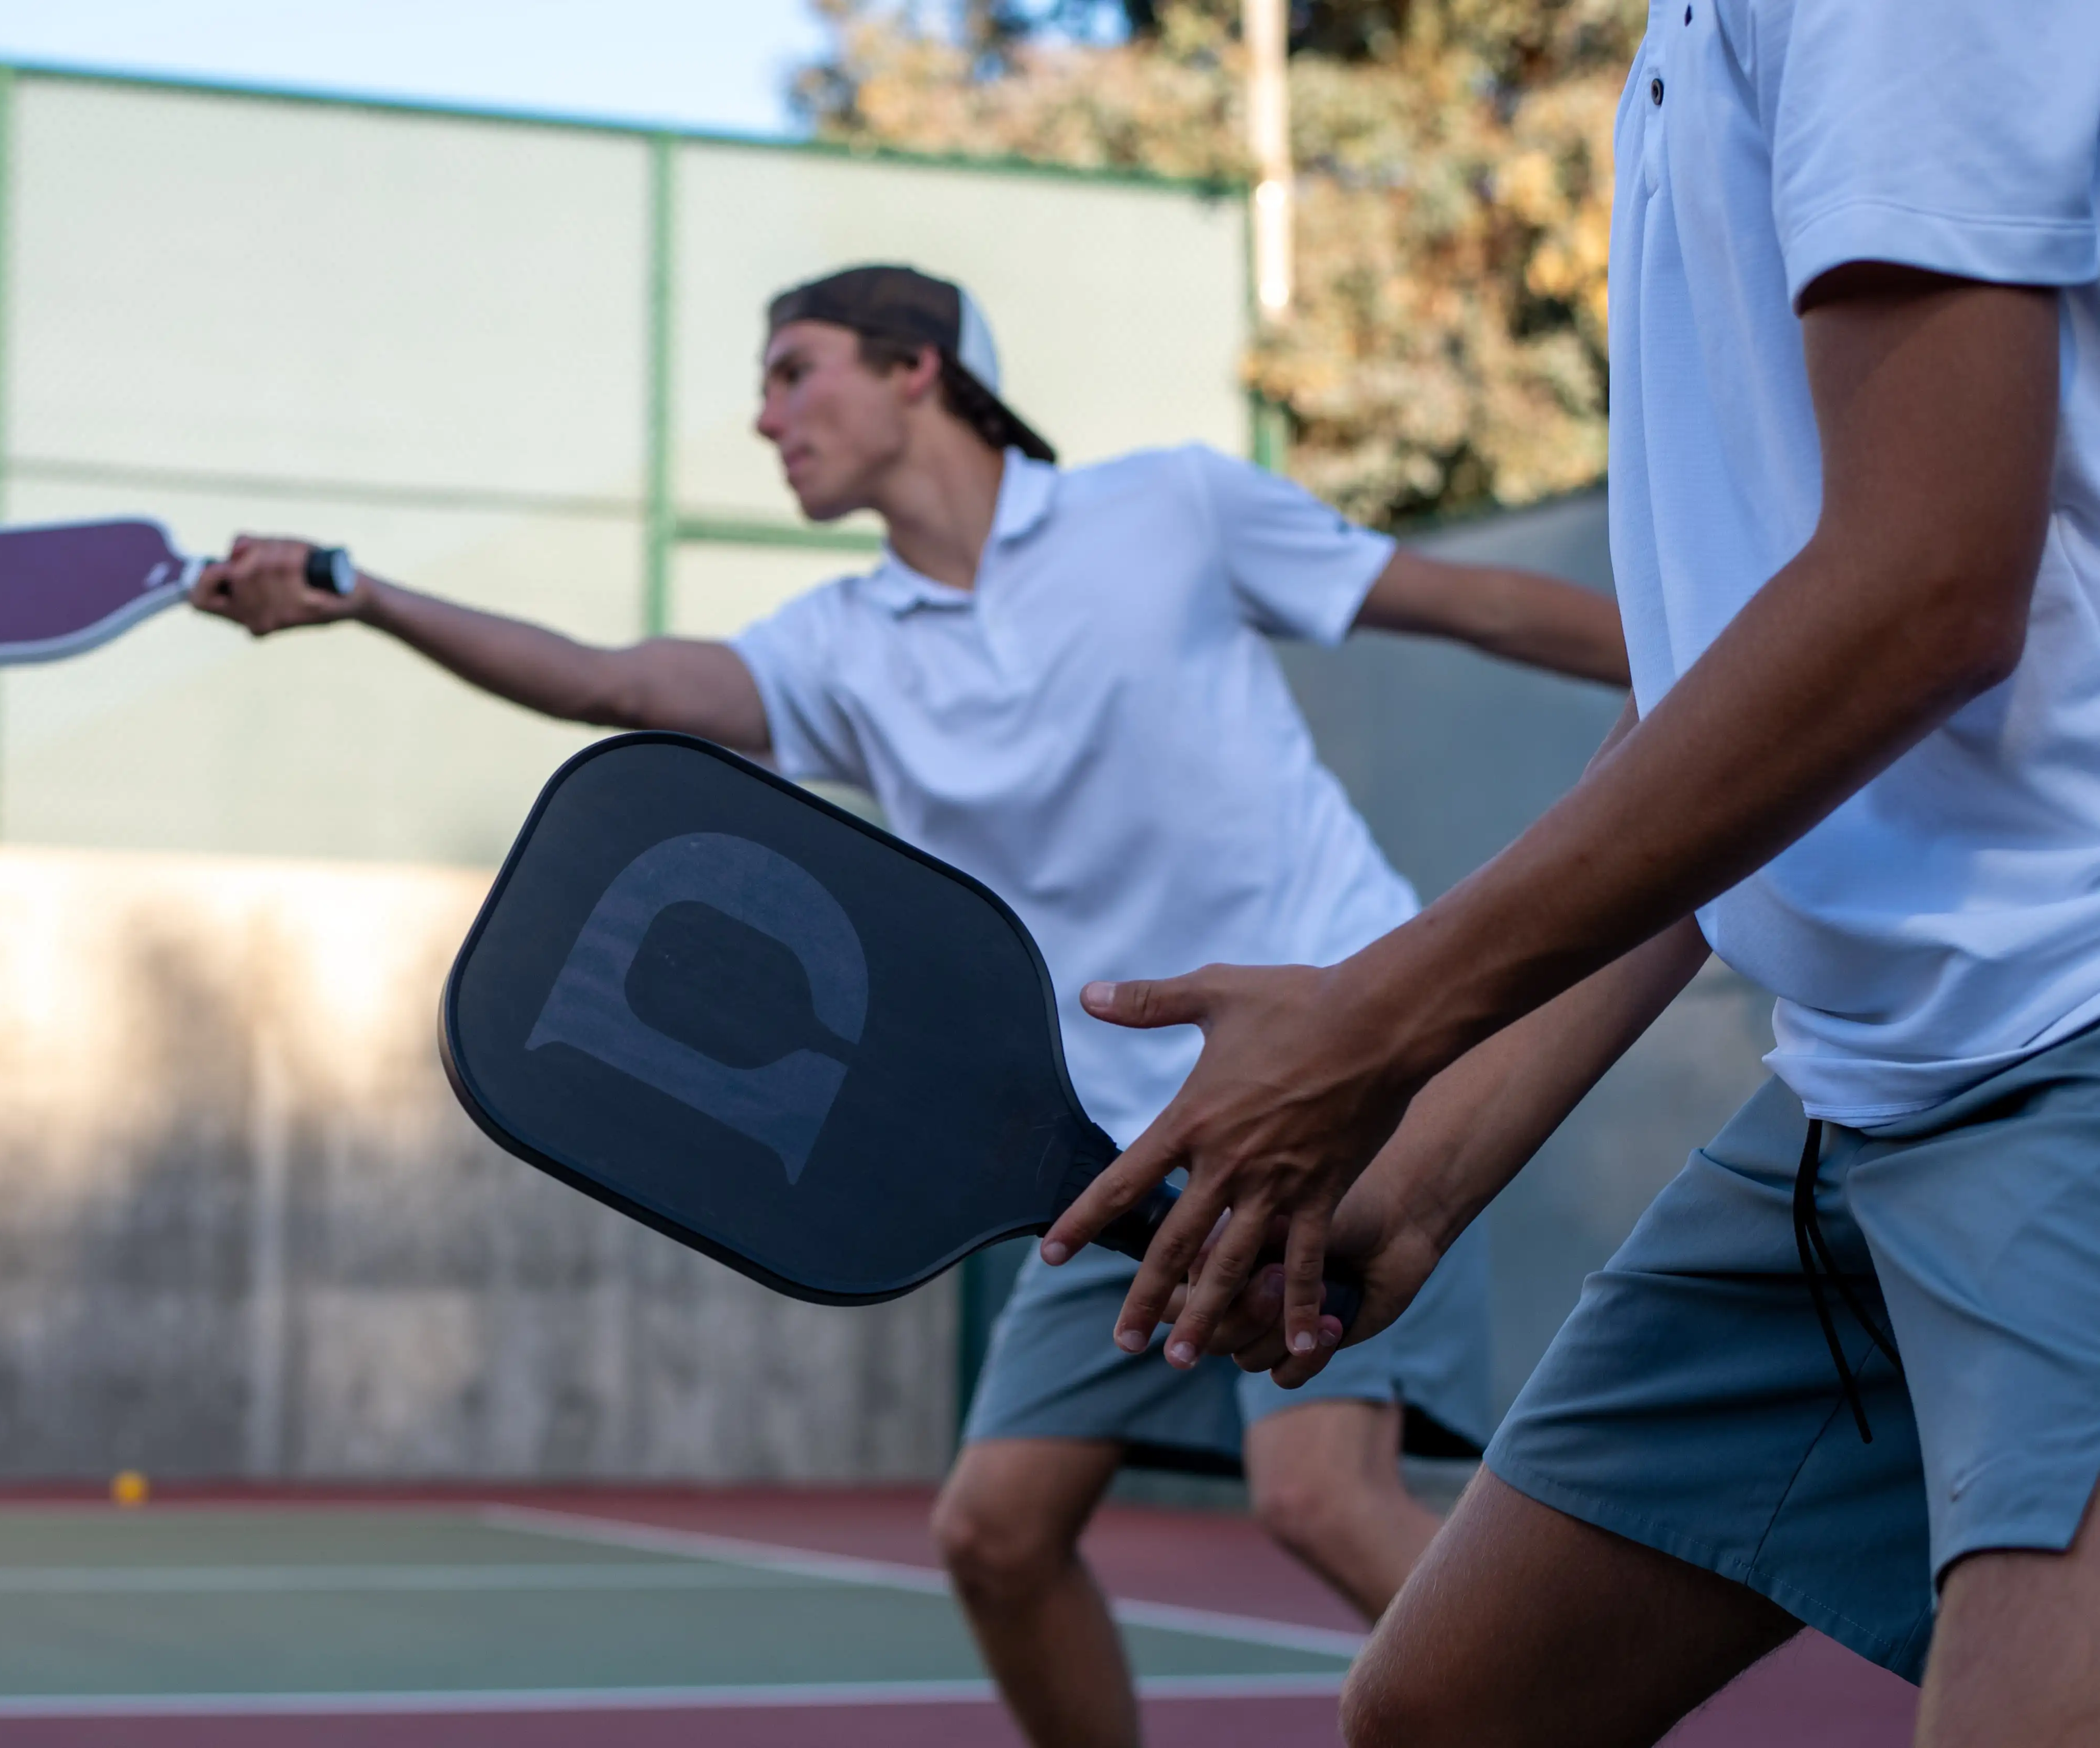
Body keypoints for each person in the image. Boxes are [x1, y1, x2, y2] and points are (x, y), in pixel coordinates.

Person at [189, 263, 1629, 1747]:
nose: (767, 418)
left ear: (916, 370)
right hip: (1111, 1147)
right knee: (994, 1534)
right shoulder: (841, 645)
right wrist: (368, 596)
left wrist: (1701, 694)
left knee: (1319, 1494)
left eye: (794, 372)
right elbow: (617, 684)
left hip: (1333, 1083)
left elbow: (1471, 602)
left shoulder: (1171, 508)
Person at [1042, 10, 2100, 1745]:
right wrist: (1424, 1168)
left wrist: (1369, 1025)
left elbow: (1922, 592)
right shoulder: (1680, 49)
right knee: (1445, 1713)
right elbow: (1712, 705)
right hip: (1858, 1094)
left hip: (2069, 1029)